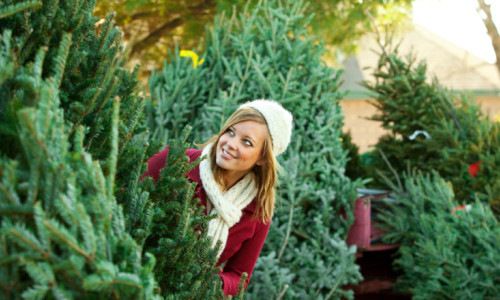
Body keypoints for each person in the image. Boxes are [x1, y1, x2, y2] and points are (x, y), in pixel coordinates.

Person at [141, 99, 293, 296]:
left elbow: (239, 276)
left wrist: (210, 281)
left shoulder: (259, 209)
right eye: (230, 131)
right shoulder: (177, 161)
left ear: (263, 158)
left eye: (246, 142)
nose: (230, 144)